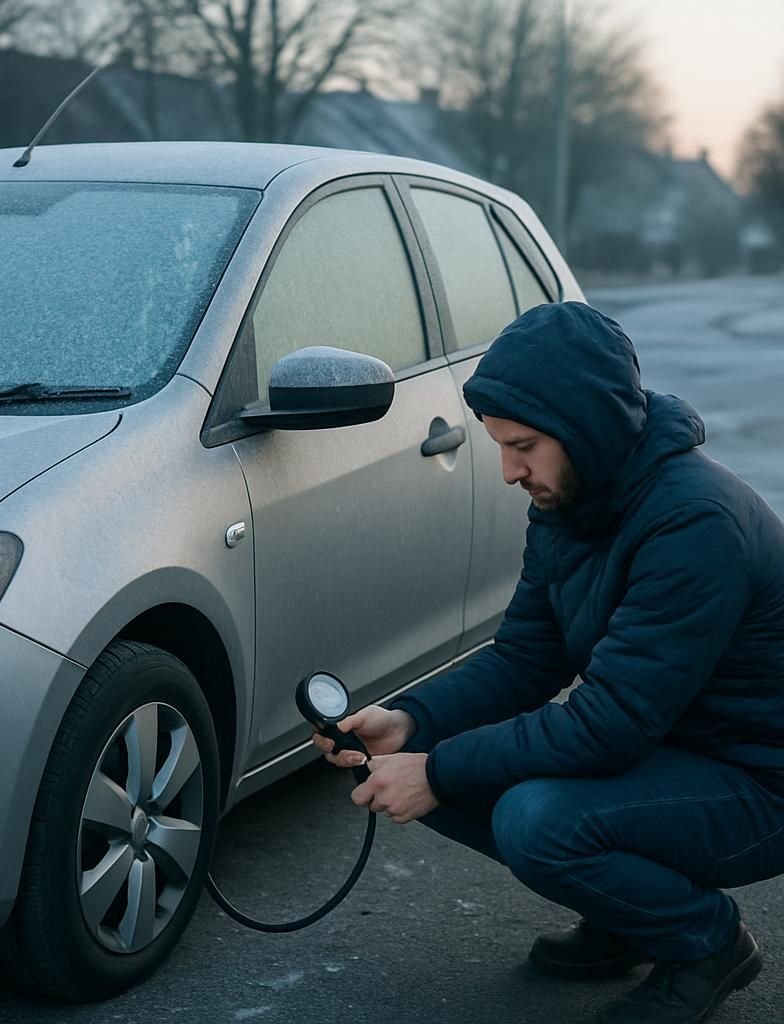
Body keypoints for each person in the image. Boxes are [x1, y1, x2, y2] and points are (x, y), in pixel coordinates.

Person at [314, 302, 784, 1024]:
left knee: (537, 818)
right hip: (674, 752)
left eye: (524, 445)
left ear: (587, 427)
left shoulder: (695, 522)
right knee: (424, 753)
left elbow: (610, 727)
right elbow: (525, 658)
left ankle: (706, 943)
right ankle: (630, 917)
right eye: (500, 445)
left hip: (759, 782)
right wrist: (412, 721)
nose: (509, 471)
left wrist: (436, 771)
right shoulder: (571, 503)